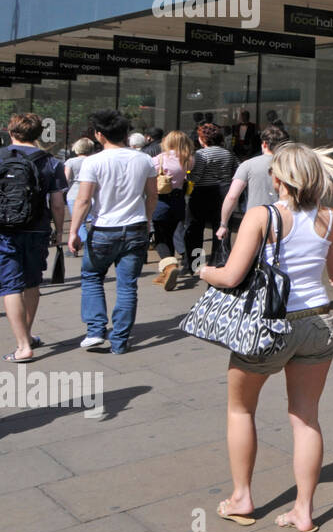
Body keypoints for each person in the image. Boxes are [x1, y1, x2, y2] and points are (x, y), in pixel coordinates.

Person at [202, 143, 333, 532]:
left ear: (277, 179)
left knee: (240, 410)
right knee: (306, 419)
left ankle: (242, 497)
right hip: (318, 324)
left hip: (268, 325)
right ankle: (303, 511)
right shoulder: (332, 218)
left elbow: (232, 276)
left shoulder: (262, 216)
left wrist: (205, 271)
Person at [68, 109, 157, 354]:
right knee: (127, 285)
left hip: (104, 229)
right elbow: (152, 195)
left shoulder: (93, 161)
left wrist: (73, 231)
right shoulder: (144, 159)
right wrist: (147, 220)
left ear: (99, 135)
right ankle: (119, 341)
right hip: (136, 226)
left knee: (92, 277)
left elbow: (83, 200)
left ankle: (96, 330)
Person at [0, 113, 67, 362]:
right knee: (31, 283)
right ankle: (26, 336)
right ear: (39, 134)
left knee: (9, 286)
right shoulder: (51, 162)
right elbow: (58, 203)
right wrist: (59, 232)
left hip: (5, 229)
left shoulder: (1, 157)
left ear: (10, 131)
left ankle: (22, 346)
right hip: (38, 229)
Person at [217, 124, 289, 248]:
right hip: (286, 221)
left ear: (264, 144)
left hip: (254, 221)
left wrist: (223, 224)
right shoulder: (291, 165)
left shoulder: (248, 165)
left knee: (248, 261)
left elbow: (232, 197)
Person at [184, 122, 237, 274]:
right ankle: (220, 261)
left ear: (202, 139)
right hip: (224, 193)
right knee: (221, 226)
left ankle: (195, 264)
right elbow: (237, 170)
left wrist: (188, 174)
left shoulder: (201, 154)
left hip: (202, 193)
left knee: (195, 229)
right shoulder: (228, 153)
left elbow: (196, 176)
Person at [150, 131, 193, 291]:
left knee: (160, 237)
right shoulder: (188, 160)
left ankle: (169, 266)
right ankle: (166, 271)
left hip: (161, 200)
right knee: (172, 233)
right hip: (179, 200)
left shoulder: (159, 159)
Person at [64, 137, 97, 246]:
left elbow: (66, 179)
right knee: (90, 220)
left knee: (78, 221)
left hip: (74, 194)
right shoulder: (94, 161)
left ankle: (86, 243)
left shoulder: (71, 162)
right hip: (91, 194)